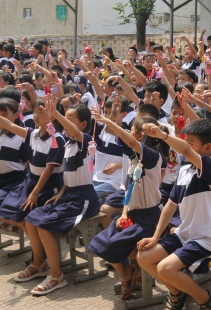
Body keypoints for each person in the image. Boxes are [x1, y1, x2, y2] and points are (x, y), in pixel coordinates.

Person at [137, 120, 211, 310]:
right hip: (184, 234)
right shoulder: (184, 170)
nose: (185, 146)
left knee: (165, 268)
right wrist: (156, 236)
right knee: (143, 257)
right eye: (186, 141)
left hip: (206, 238)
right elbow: (170, 205)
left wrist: (163, 136)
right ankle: (176, 292)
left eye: (190, 142)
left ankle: (206, 299)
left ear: (207, 147)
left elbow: (184, 150)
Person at [87, 113, 169, 300]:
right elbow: (128, 193)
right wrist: (124, 214)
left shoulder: (153, 156)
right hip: (131, 215)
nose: (128, 134)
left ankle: (139, 267)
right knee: (99, 243)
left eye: (131, 130)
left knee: (114, 245)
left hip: (148, 218)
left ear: (140, 136)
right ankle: (126, 271)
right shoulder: (134, 162)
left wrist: (109, 122)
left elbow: (131, 142)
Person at [22, 99, 100, 295]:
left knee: (44, 225)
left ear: (83, 124)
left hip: (84, 198)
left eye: (70, 120)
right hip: (69, 194)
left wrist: (55, 115)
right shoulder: (68, 143)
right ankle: (39, 263)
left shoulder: (85, 139)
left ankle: (56, 275)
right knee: (31, 217)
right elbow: (70, 175)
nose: (65, 123)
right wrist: (62, 192)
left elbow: (75, 133)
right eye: (64, 118)